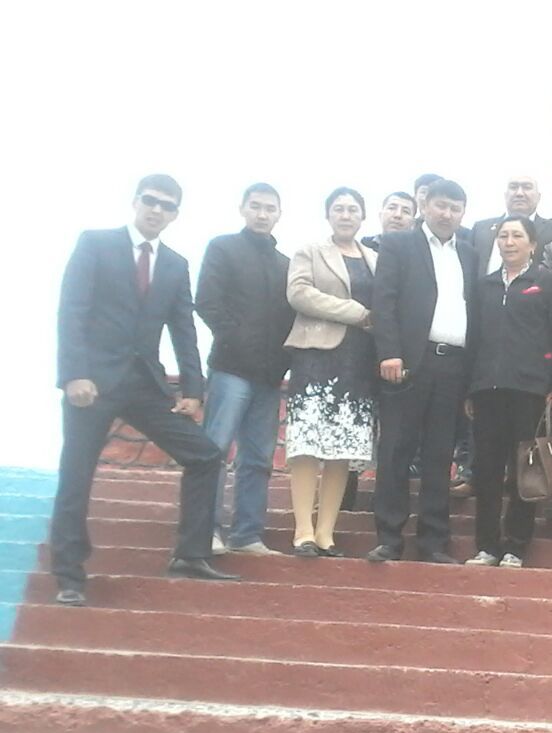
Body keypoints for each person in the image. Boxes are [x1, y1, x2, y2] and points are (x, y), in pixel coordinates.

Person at [52, 174, 237, 606]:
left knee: (205, 455)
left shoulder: (174, 263)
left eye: (166, 205)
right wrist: (74, 374)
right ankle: (69, 575)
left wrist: (193, 389)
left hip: (144, 384)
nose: (157, 210)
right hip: (93, 383)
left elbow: (183, 328)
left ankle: (190, 555)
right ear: (136, 201)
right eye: (150, 201)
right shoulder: (96, 244)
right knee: (76, 474)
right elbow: (71, 310)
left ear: (175, 214)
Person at [369, 179, 478, 563]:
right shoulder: (399, 244)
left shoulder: (469, 253)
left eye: (455, 208)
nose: (447, 214)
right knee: (396, 448)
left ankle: (433, 540)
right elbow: (384, 301)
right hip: (409, 362)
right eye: (441, 205)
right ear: (425, 206)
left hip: (454, 365)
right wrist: (390, 352)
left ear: (463, 213)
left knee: (439, 453)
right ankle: (389, 537)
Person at [463, 216, 552, 568]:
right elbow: (473, 337)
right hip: (486, 389)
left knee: (525, 471)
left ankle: (516, 545)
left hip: (530, 390)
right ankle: (486, 545)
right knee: (487, 470)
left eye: (517, 236)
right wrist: (469, 388)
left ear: (532, 244)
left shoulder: (547, 281)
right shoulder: (485, 285)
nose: (509, 242)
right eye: (503, 236)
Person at [196, 182, 294, 557]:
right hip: (230, 369)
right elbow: (207, 302)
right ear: (242, 208)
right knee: (214, 450)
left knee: (258, 457)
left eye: (270, 208)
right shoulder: (223, 248)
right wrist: (237, 341)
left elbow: (291, 319)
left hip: (269, 377)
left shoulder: (285, 264)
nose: (262, 214)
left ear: (279, 214)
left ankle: (247, 533)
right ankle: (205, 530)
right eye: (256, 206)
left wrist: (282, 360)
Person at [283, 187, 378, 558]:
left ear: (363, 216)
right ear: (328, 215)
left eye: (353, 209)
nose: (346, 215)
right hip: (316, 358)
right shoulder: (310, 251)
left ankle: (326, 533)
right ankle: (303, 531)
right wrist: (356, 313)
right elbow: (299, 294)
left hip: (359, 362)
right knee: (308, 446)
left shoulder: (375, 258)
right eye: (339, 209)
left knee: (342, 448)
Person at [342, 190, 418, 513]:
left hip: (400, 355)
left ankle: (388, 500)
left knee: (395, 433)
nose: (398, 214)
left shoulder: (420, 254)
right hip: (356, 350)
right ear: (380, 213)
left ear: (415, 219)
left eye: (406, 210)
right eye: (392, 208)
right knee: (352, 424)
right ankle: (343, 497)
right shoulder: (359, 250)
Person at [472, 175, 552, 277]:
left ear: (538, 197)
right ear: (505, 195)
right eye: (513, 187)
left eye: (527, 187)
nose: (519, 193)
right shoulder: (480, 229)